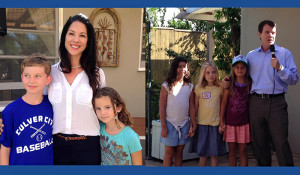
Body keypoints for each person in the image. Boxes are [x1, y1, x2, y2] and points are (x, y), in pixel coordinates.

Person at [223, 20, 298, 166]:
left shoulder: (284, 53)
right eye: (267, 32)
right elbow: (240, 73)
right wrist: (226, 81)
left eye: (273, 32)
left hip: (277, 103)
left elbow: (294, 79)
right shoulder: (251, 56)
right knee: (260, 143)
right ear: (259, 34)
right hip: (256, 103)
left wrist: (280, 68)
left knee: (281, 142)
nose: (270, 35)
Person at [47, 13, 106, 165]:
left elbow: (103, 110)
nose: (75, 39)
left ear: (88, 41)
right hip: (56, 146)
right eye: (71, 33)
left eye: (82, 35)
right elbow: (37, 105)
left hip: (88, 147)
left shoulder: (97, 74)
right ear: (64, 37)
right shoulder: (50, 73)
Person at [0, 54, 53, 165]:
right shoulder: (10, 111)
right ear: (22, 77)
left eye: (37, 76)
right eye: (27, 75)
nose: (31, 80)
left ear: (48, 80)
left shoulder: (53, 106)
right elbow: (5, 150)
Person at [159, 56, 196, 167]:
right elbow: (162, 107)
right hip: (170, 124)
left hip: (184, 124)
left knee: (179, 152)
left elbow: (192, 107)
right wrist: (164, 126)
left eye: (184, 67)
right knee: (169, 152)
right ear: (174, 68)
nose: (182, 69)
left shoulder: (190, 87)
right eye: (179, 67)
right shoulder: (166, 86)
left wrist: (193, 123)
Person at [189, 61, 226, 167]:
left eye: (213, 72)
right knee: (203, 154)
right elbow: (195, 107)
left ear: (217, 73)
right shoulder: (198, 88)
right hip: (202, 125)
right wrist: (193, 123)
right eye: (208, 72)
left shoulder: (220, 88)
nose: (211, 75)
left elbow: (223, 106)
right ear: (203, 74)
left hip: (216, 125)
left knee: (214, 155)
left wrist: (222, 123)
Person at [93, 87, 142, 165]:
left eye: (107, 107)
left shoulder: (130, 136)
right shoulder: (97, 129)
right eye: (98, 108)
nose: (102, 113)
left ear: (118, 108)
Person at [219, 55, 251, 166]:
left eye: (242, 67)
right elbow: (223, 104)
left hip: (244, 123)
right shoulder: (229, 84)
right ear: (233, 69)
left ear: (246, 69)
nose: (240, 69)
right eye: (237, 67)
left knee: (243, 151)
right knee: (232, 152)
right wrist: (221, 121)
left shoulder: (250, 84)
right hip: (230, 123)